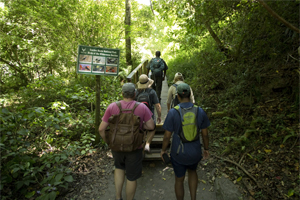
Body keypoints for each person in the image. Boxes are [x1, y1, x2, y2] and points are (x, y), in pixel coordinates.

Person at [98, 83, 155, 200]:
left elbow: (101, 129)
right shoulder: (142, 107)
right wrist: (140, 124)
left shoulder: (112, 107)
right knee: (132, 177)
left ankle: (118, 197)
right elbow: (151, 126)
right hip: (134, 147)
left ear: (122, 94)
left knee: (119, 168)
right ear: (135, 94)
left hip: (116, 146)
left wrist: (108, 142)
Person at [160, 83, 210, 200]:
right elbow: (205, 134)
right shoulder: (199, 111)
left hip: (179, 153)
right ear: (190, 95)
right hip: (195, 151)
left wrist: (163, 150)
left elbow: (167, 136)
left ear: (178, 96)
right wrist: (206, 149)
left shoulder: (173, 112)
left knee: (179, 179)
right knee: (193, 172)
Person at [136, 74, 162, 152]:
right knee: (152, 128)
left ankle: (142, 143)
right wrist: (159, 116)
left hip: (138, 115)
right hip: (149, 114)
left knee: (141, 128)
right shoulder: (151, 92)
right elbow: (157, 105)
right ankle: (147, 144)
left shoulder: (136, 92)